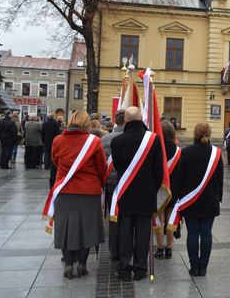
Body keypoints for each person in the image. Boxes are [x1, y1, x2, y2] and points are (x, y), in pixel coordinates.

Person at [49, 110, 107, 279]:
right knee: (87, 228)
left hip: (64, 190)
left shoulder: (58, 140)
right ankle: (82, 264)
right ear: (86, 123)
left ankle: (68, 264)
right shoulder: (94, 141)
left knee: (65, 228)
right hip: (89, 191)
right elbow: (101, 167)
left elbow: (55, 161)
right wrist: (100, 183)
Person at [110, 107, 164, 281]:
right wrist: (151, 188)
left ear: (125, 120)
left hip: (125, 193)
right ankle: (140, 269)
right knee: (142, 234)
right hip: (146, 193)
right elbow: (159, 171)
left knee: (124, 233)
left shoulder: (117, 141)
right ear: (142, 119)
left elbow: (117, 167)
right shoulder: (154, 139)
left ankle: (124, 269)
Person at [173, 123, 224, 276]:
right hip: (210, 200)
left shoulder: (186, 152)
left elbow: (179, 179)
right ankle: (203, 268)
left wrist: (177, 199)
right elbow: (220, 180)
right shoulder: (217, 153)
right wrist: (218, 199)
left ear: (194, 134)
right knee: (207, 234)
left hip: (190, 201)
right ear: (209, 134)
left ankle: (194, 267)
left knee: (193, 234)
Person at [154, 120, 182, 260]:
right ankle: (169, 249)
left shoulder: (156, 149)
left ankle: (159, 249)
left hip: (159, 189)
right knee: (171, 221)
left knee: (159, 220)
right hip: (174, 190)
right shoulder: (179, 151)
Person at [100, 108, 125, 261]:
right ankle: (126, 248)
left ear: (115, 121)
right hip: (127, 184)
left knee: (113, 218)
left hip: (110, 184)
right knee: (127, 219)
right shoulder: (135, 138)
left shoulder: (104, 139)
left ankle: (113, 250)